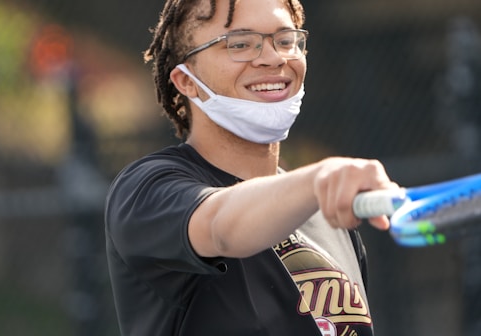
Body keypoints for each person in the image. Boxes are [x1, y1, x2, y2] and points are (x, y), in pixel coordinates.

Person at [105, 0, 398, 335]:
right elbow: (219, 227)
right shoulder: (145, 190)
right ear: (186, 81)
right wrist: (320, 178)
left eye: (286, 40)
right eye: (240, 44)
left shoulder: (327, 214)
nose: (274, 58)